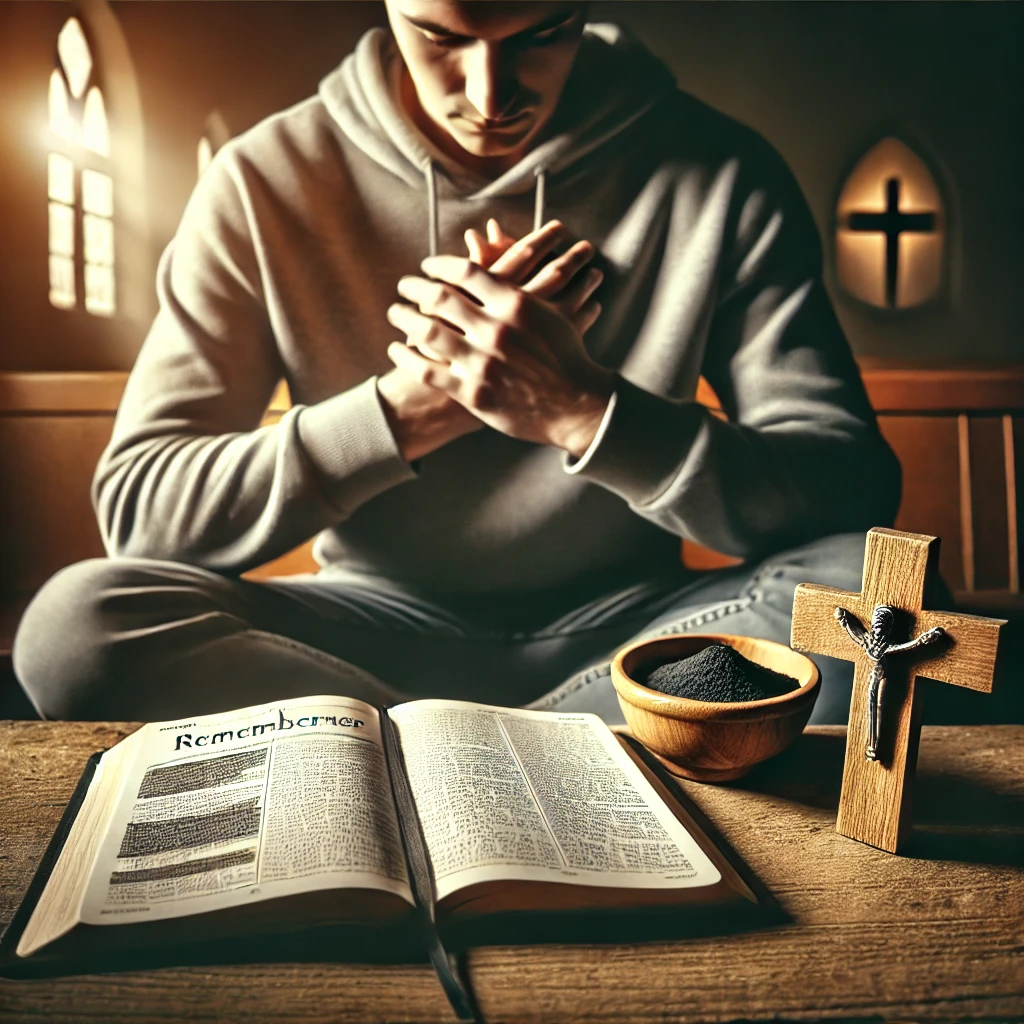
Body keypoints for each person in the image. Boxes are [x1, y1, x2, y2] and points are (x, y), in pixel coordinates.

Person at [13, 0, 900, 724]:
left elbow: (850, 489)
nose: (489, 92)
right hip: (363, 631)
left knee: (883, 603)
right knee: (73, 628)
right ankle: (563, 755)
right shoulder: (261, 179)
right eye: (441, 37)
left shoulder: (723, 171)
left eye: (542, 34)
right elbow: (141, 512)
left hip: (644, 634)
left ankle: (429, 758)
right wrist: (411, 409)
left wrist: (581, 408)